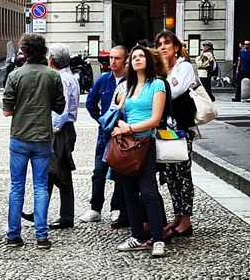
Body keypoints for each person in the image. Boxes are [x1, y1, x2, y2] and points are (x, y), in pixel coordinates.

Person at [3, 34, 66, 249]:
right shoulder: (52, 75)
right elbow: (60, 107)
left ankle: (13, 235)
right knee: (40, 186)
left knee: (16, 186)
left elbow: (6, 110)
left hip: (20, 135)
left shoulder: (15, 75)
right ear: (43, 51)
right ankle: (41, 236)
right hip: (43, 137)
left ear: (25, 52)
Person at [112, 45, 166, 257]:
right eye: (133, 57)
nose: (137, 59)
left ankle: (158, 238)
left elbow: (156, 119)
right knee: (129, 193)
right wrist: (118, 126)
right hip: (126, 144)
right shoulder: (128, 87)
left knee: (149, 192)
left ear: (148, 60)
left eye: (141, 56)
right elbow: (118, 111)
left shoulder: (157, 85)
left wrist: (131, 128)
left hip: (145, 143)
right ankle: (137, 236)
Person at [21, 43, 79, 229]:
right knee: (53, 172)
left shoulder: (61, 79)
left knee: (58, 173)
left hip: (60, 131)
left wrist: (51, 130)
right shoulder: (69, 77)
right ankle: (42, 211)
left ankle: (63, 216)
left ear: (52, 59)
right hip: (65, 129)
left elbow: (61, 111)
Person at [155, 30, 197, 239]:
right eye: (160, 44)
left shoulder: (184, 67)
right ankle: (178, 215)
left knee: (183, 172)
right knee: (170, 174)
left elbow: (174, 92)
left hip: (181, 128)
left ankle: (187, 219)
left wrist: (158, 90)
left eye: (167, 43)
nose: (163, 47)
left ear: (176, 47)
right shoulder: (160, 71)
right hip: (165, 128)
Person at [80, 46, 128, 227]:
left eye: (117, 58)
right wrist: (101, 120)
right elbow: (91, 102)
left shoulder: (131, 82)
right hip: (105, 133)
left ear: (125, 60)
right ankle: (95, 207)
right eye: (111, 58)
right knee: (99, 170)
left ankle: (116, 207)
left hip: (124, 133)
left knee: (120, 171)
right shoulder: (103, 80)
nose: (112, 62)